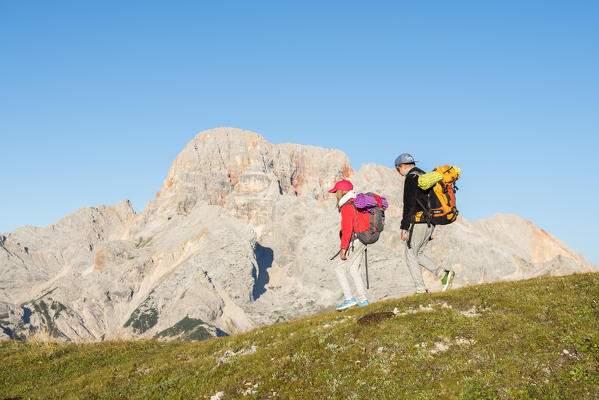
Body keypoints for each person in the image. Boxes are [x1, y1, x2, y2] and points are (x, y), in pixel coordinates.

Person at [395, 153, 457, 294]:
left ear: (402, 166)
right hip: (431, 222)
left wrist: (404, 226)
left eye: (397, 169)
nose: (398, 172)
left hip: (419, 222)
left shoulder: (411, 178)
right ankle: (443, 274)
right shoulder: (425, 176)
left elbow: (409, 204)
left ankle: (420, 288)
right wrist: (434, 226)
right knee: (419, 253)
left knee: (410, 253)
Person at [328, 179, 369, 310]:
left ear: (342, 192)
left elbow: (347, 229)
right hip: (363, 239)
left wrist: (343, 249)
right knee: (353, 270)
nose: (335, 194)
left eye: (336, 192)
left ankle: (349, 299)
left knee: (339, 269)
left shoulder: (347, 206)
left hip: (354, 241)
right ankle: (363, 300)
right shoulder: (357, 203)